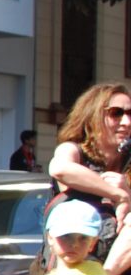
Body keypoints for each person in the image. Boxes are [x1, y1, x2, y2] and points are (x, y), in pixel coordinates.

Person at [47, 81, 131, 249]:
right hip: (76, 261)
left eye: (130, 113)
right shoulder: (74, 151)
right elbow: (59, 169)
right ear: (93, 117)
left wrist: (127, 193)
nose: (126, 122)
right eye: (116, 113)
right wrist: (117, 195)